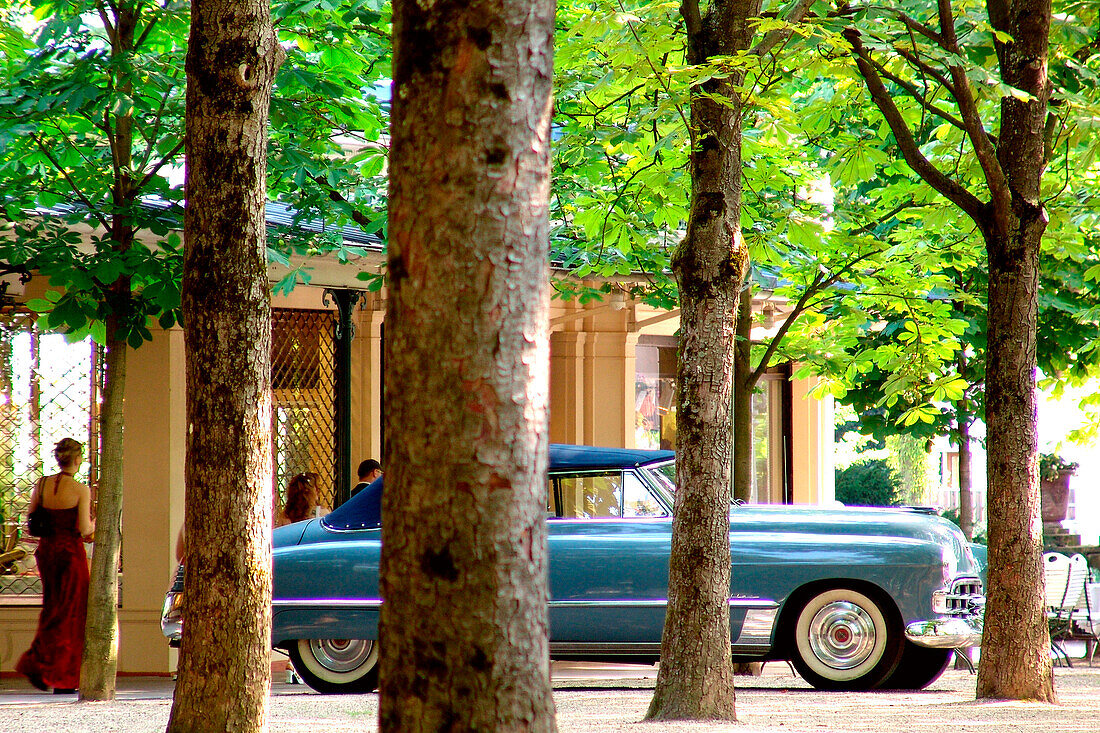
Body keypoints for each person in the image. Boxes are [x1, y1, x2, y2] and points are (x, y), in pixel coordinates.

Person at [17, 437, 95, 694]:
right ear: (77, 459)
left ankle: (40, 665)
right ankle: (64, 676)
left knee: (52, 609)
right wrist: (98, 525)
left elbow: (32, 518)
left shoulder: (41, 484)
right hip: (70, 555)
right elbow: (84, 529)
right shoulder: (81, 490)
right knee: (72, 612)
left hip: (47, 552)